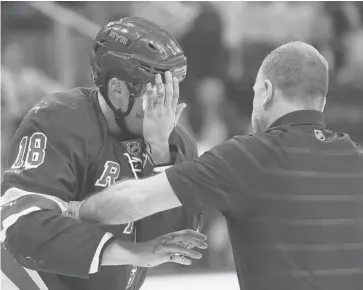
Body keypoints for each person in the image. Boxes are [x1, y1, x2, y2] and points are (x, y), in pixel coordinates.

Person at [72, 41, 363, 290]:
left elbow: (135, 201)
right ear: (321, 102)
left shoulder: (250, 157)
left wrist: (72, 209)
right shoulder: (356, 157)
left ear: (266, 90)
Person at [1, 17, 206, 290]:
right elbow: (21, 225)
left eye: (171, 90)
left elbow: (176, 243)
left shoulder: (175, 143)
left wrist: (160, 154)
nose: (165, 107)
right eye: (155, 93)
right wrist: (130, 252)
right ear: (117, 89)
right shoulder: (57, 120)